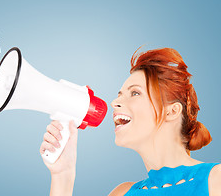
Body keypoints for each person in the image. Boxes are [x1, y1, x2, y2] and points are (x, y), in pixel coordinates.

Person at [40, 47, 221, 195]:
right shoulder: (122, 193)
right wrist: (62, 176)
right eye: (119, 95)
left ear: (171, 111)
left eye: (135, 93)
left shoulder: (215, 179)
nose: (115, 102)